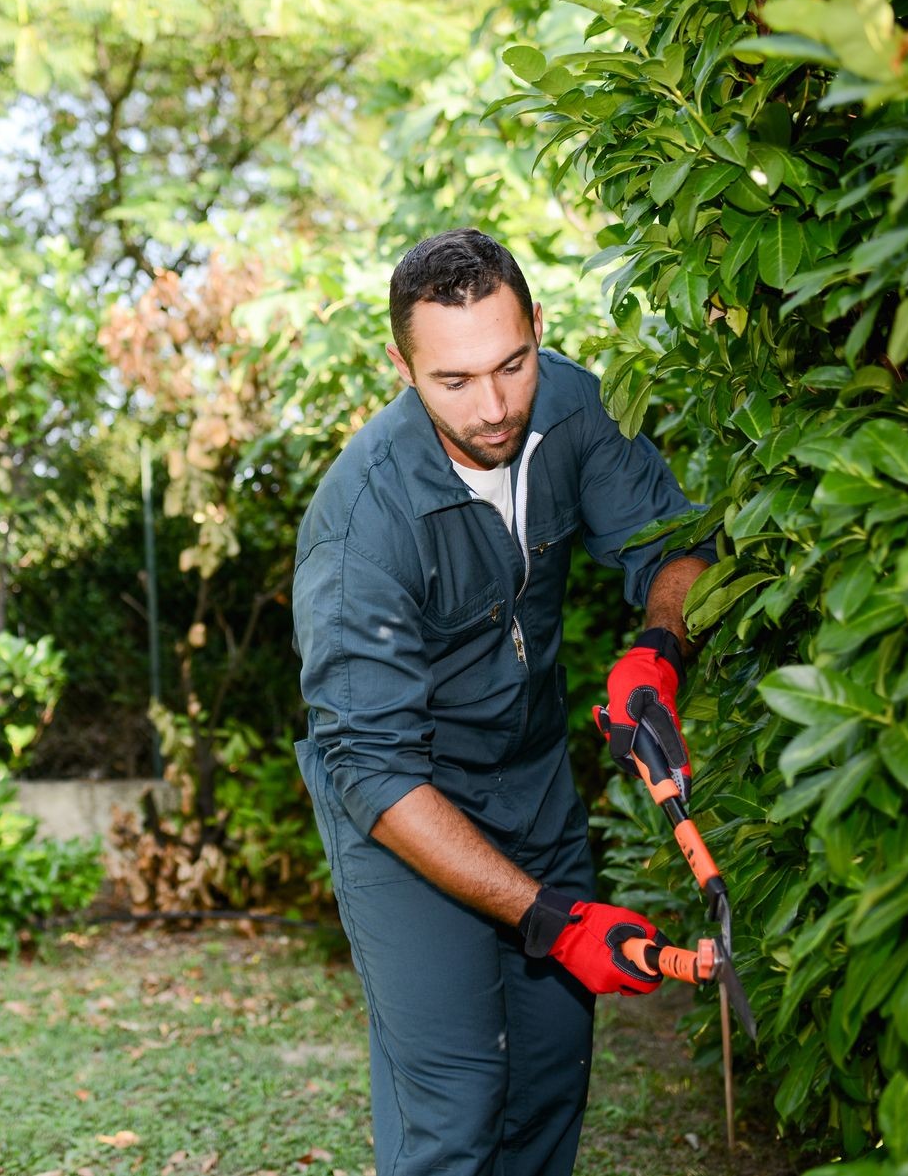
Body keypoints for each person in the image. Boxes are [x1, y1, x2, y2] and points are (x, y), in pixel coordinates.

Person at [291, 228, 715, 1176]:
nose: (493, 407)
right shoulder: (363, 525)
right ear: (401, 367)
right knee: (456, 1109)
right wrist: (559, 920)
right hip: (406, 812)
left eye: (512, 363)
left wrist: (657, 648)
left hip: (532, 784)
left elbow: (678, 550)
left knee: (548, 1084)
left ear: (537, 330)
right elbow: (376, 771)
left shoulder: (572, 409)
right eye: (454, 381)